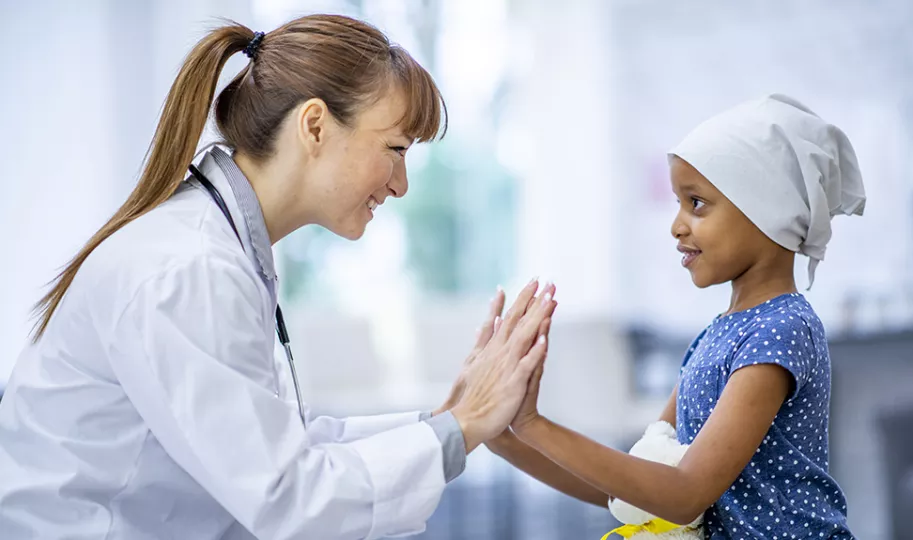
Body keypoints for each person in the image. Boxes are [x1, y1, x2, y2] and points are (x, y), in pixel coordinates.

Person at [0, 15, 558, 540]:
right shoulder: (189, 269)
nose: (401, 185)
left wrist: (441, 422)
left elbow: (282, 442)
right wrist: (462, 426)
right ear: (314, 125)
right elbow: (287, 499)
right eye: (394, 149)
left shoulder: (216, 247)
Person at [484, 94, 866, 539]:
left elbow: (685, 494)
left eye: (696, 203)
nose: (677, 225)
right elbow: (637, 488)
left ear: (768, 210)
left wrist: (534, 425)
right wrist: (504, 435)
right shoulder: (717, 336)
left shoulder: (780, 329)